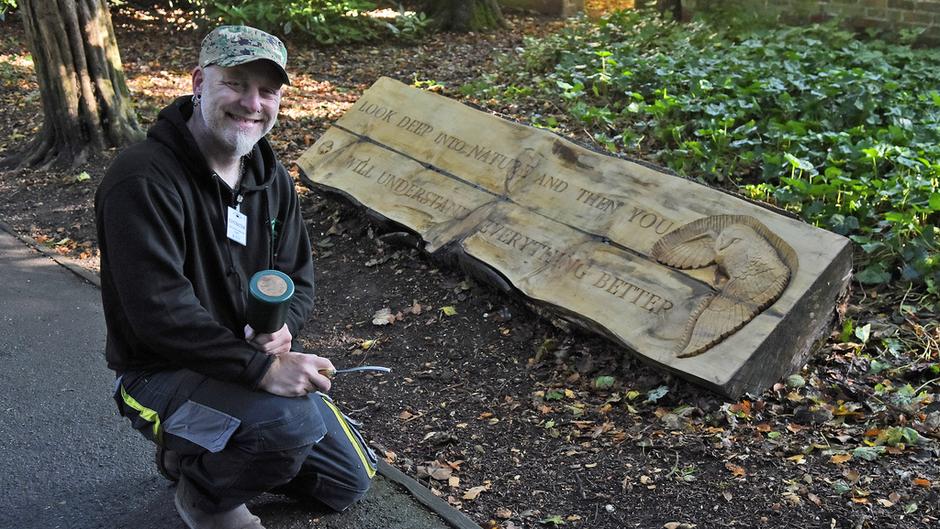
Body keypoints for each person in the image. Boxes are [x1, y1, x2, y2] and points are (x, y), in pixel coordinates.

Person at [95, 25, 375, 529]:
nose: (252, 102)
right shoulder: (142, 179)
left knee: (346, 481)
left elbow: (297, 275)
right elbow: (159, 312)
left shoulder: (271, 179)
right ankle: (205, 496)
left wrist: (282, 327)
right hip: (158, 374)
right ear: (199, 81)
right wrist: (262, 371)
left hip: (238, 365)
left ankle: (203, 454)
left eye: (268, 91)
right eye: (236, 83)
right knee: (286, 428)